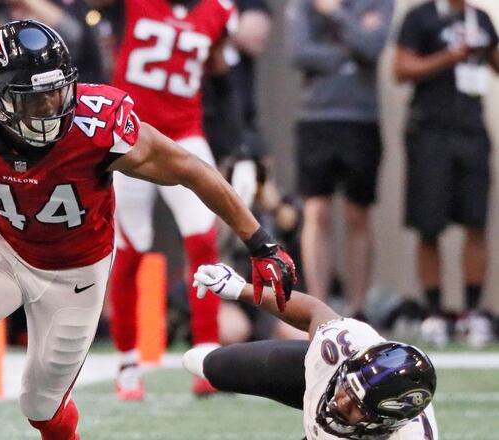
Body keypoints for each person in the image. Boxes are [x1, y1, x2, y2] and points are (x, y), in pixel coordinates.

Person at [0, 20, 296, 440]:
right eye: (32, 98)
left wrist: (261, 242)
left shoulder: (97, 126)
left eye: (56, 93)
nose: (49, 108)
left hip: (76, 275)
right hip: (2, 246)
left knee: (41, 407)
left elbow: (190, 169)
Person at [100, 0, 243, 400]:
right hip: (131, 133)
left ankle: (208, 361)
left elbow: (221, 73)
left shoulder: (216, 10)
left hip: (184, 133)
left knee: (203, 241)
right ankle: (128, 363)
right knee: (130, 249)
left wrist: (241, 142)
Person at [185, 262, 438, 439]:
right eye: (346, 390)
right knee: (210, 364)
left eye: (353, 406)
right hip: (326, 374)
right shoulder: (340, 348)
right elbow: (313, 312)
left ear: (384, 424)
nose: (338, 403)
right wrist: (241, 289)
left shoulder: (412, 435)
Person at [394, 0, 499, 348]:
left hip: (472, 129)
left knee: (476, 222)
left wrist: (483, 51)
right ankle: (434, 312)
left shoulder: (481, 19)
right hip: (429, 131)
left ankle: (471, 312)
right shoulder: (419, 18)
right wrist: (450, 56)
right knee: (429, 225)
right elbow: (401, 69)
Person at [287, 0, 393, 321]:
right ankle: (319, 309)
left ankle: (358, 308)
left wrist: (334, 14)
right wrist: (348, 53)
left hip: (360, 119)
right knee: (316, 212)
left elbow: (372, 47)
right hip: (315, 118)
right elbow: (299, 53)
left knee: (357, 213)